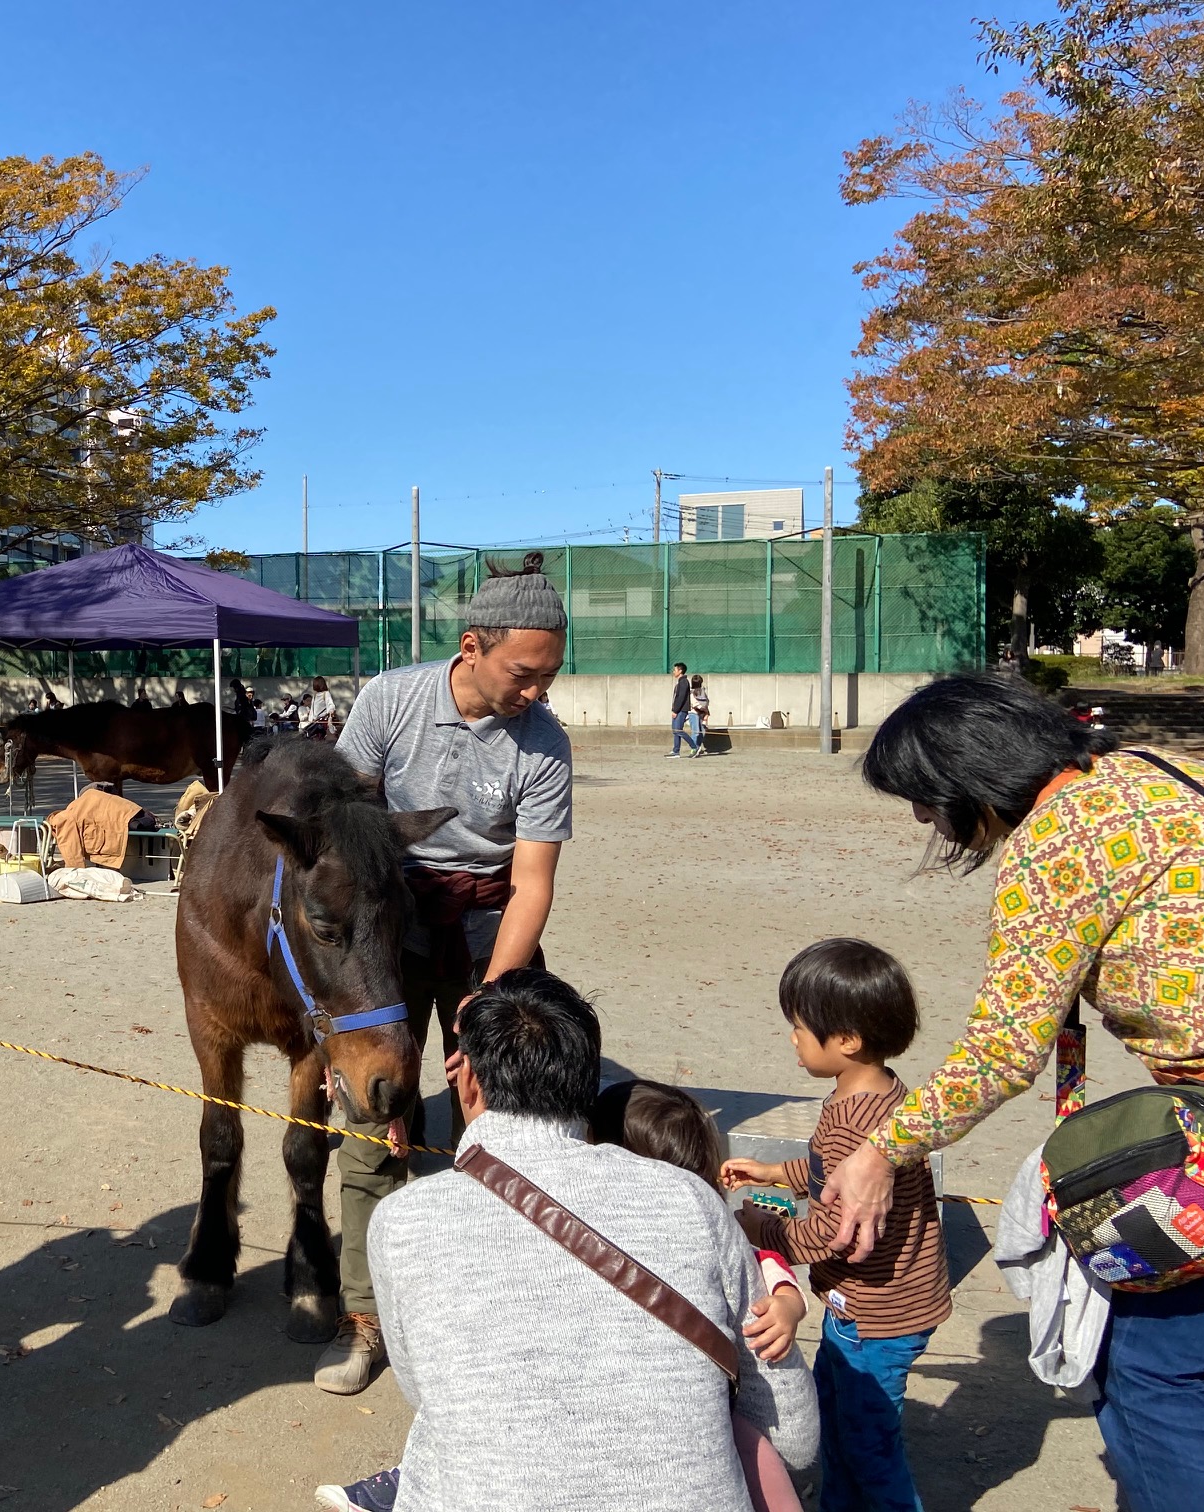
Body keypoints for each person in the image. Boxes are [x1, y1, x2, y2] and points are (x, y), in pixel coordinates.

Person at [816, 673, 1204, 1510]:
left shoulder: (1061, 835)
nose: (922, 822)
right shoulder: (1166, 771)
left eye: (924, 802)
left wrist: (881, 1150)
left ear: (966, 779)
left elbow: (1004, 1050)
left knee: (1162, 1384)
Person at [347, 970, 817, 1511]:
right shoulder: (689, 1199)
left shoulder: (401, 1221)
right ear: (582, 1081)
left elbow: (423, 1387)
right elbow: (794, 1433)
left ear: (469, 1081)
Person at [325, 552, 572, 1392]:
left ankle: (483, 1309)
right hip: (388, 933)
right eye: (524, 674)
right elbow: (343, 835)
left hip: (488, 936)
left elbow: (533, 879)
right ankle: (366, 1317)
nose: (536, 691)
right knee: (371, 1114)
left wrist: (489, 1004)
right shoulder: (391, 700)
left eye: (549, 676)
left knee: (500, 1119)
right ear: (472, 646)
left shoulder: (544, 743)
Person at [722, 939, 950, 1512]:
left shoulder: (854, 1122)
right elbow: (831, 1172)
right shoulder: (880, 1097)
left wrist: (760, 1231)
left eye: (799, 1027)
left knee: (870, 1447)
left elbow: (831, 1233)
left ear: (846, 1039)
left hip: (876, 1313)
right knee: (839, 1425)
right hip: (874, 1306)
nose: (792, 1038)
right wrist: (778, 1172)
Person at [668, 661, 700, 757]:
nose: (673, 672)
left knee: (678, 730)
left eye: (675, 670)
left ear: (680, 671)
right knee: (675, 730)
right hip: (678, 710)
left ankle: (694, 747)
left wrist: (675, 710)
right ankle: (676, 750)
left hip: (681, 710)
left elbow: (680, 698)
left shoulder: (683, 682)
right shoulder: (681, 682)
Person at [305, 674, 337, 739]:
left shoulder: (326, 693)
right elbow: (312, 709)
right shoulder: (315, 695)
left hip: (322, 722)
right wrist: (310, 720)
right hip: (314, 721)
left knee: (318, 738)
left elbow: (331, 705)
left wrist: (330, 715)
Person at [689, 673, 711, 756]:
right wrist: (702, 709)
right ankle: (693, 749)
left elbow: (707, 701)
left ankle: (697, 747)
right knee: (696, 732)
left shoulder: (702, 691)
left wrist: (706, 711)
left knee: (703, 731)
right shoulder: (691, 693)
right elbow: (694, 704)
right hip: (694, 713)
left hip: (702, 713)